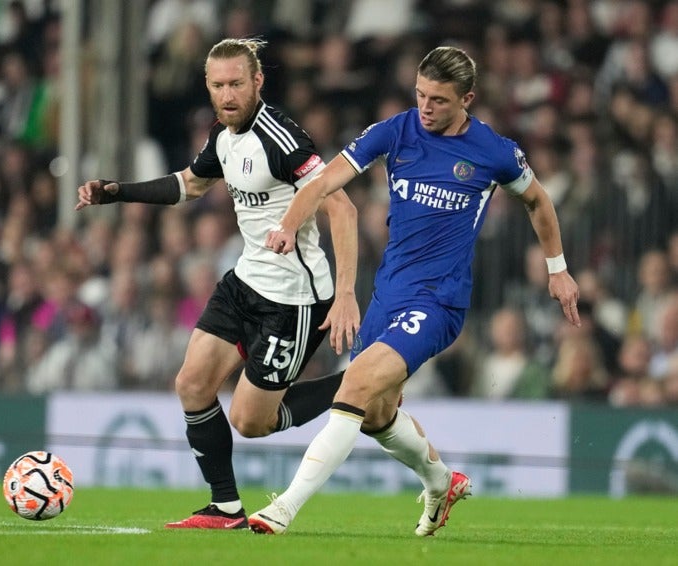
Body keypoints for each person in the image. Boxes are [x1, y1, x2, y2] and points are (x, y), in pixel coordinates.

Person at [248, 46, 581, 536]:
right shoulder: (395, 130)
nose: (425, 107)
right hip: (389, 294)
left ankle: (286, 507)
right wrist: (288, 226)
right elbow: (320, 183)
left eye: (439, 101)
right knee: (375, 412)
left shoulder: (493, 151)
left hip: (439, 301)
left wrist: (558, 269)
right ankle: (441, 482)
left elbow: (537, 200)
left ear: (467, 98)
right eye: (420, 95)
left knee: (354, 385)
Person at [76, 38, 360, 529]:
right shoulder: (224, 137)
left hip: (294, 300)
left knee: (250, 421)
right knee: (191, 384)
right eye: (218, 85)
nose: (227, 95)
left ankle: (359, 388)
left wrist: (348, 294)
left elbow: (343, 206)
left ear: (258, 82)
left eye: (236, 84)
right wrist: (117, 192)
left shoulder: (284, 140)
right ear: (208, 86)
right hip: (246, 282)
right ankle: (225, 506)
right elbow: (191, 183)